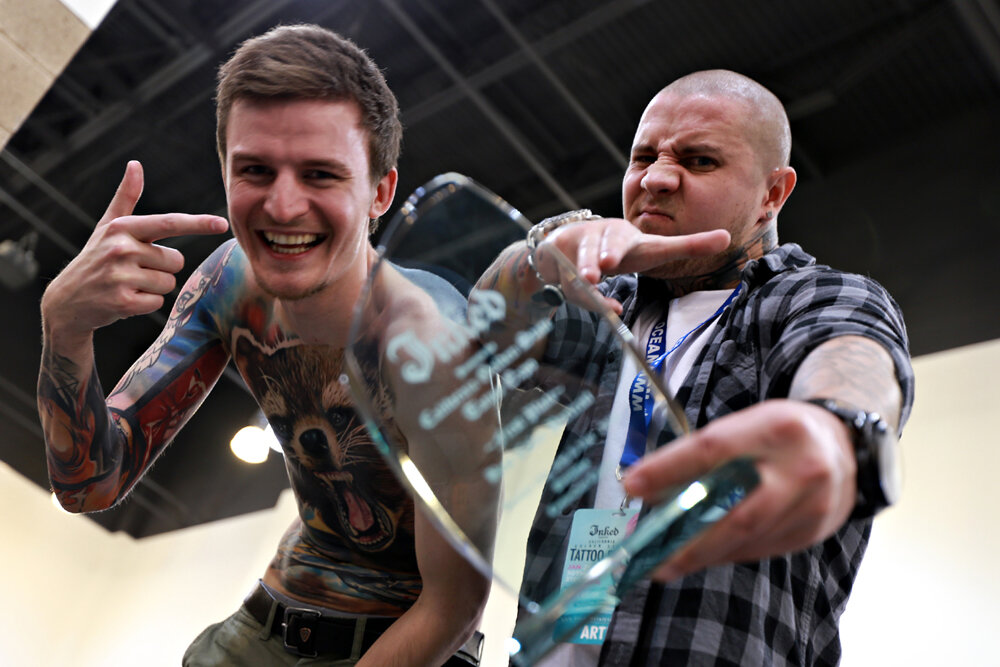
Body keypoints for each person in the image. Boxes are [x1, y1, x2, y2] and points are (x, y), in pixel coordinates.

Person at [36, 24, 488, 666]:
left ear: (380, 193)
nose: (282, 206)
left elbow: (453, 606)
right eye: (255, 170)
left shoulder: (432, 342)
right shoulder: (230, 280)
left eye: (320, 174)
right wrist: (65, 329)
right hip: (261, 626)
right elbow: (90, 486)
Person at [476, 69, 914, 665]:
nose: (655, 178)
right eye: (643, 157)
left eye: (699, 160)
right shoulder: (609, 306)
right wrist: (539, 253)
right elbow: (489, 324)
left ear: (772, 194)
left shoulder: (812, 296)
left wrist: (837, 427)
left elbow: (855, 355)